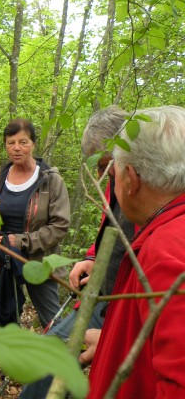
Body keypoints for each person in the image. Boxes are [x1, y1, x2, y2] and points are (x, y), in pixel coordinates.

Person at [19, 106, 136, 398]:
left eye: (105, 165)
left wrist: (117, 341)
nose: (99, 174)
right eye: (95, 166)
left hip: (125, 306)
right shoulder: (114, 182)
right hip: (101, 295)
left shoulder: (142, 187)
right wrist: (92, 258)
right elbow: (109, 232)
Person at [84, 106, 185, 398]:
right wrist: (113, 343)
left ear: (130, 178)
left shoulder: (167, 250)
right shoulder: (162, 233)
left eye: (112, 171)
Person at [0, 118, 70, 380]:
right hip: (3, 258)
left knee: (50, 315)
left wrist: (22, 241)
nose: (17, 148)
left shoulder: (50, 180)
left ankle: (65, 366)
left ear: (33, 143)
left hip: (39, 261)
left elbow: (60, 225)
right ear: (5, 146)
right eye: (11, 143)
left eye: (23, 142)